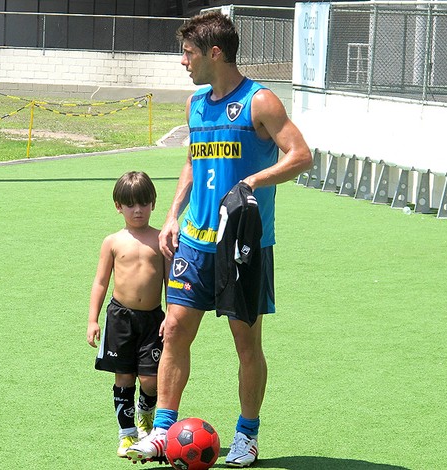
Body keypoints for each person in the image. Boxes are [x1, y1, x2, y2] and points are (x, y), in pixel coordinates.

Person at [126, 11, 312, 468]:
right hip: (194, 242)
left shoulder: (260, 101)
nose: (182, 61)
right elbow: (193, 160)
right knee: (173, 333)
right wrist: (172, 214)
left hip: (243, 247)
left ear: (214, 53)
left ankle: (246, 436)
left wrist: (252, 181)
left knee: (246, 344)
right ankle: (164, 432)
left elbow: (302, 156)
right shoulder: (196, 105)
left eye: (188, 52)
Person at [86, 171, 168, 459]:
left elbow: (171, 282)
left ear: (153, 203)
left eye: (144, 203)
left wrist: (171, 315)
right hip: (120, 318)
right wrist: (93, 319)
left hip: (153, 320)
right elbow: (100, 282)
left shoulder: (161, 239)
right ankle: (126, 435)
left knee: (149, 379)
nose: (138, 210)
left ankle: (147, 417)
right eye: (131, 204)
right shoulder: (112, 242)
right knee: (124, 377)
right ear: (118, 206)